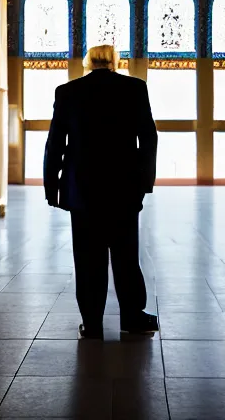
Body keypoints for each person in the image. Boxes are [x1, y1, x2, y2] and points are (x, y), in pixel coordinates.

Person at [43, 44, 159, 339]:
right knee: (125, 255)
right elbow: (148, 136)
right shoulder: (134, 88)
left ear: (88, 62)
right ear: (114, 61)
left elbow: (55, 142)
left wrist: (52, 186)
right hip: (123, 186)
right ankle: (132, 316)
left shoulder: (68, 92)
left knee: (87, 257)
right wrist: (145, 181)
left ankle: (92, 323)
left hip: (82, 188)